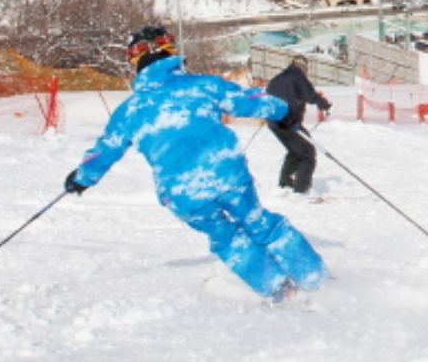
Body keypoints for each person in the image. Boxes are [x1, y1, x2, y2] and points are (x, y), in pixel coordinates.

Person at [63, 26, 326, 303]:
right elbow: (248, 101)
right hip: (226, 174)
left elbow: (106, 149)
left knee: (225, 238)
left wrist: (82, 178)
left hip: (182, 193)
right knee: (260, 223)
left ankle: (278, 290)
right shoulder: (204, 86)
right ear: (171, 53)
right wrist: (283, 111)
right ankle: (314, 279)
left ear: (135, 62)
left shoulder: (131, 109)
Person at [266, 55, 332, 195]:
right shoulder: (298, 76)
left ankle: (285, 184)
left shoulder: (277, 78)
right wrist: (323, 103)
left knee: (296, 150)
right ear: (304, 66)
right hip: (288, 121)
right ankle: (301, 189)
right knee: (307, 152)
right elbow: (309, 95)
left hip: (274, 121)